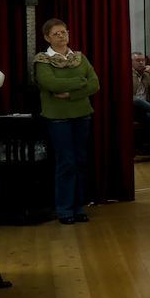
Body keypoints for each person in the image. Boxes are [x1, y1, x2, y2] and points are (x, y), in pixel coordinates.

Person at [35, 19, 100, 225]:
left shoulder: (80, 58)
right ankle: (64, 209)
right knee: (66, 163)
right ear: (47, 38)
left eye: (64, 32)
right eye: (56, 33)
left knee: (80, 161)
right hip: (58, 117)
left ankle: (78, 207)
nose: (62, 36)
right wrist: (80, 83)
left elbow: (94, 84)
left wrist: (70, 92)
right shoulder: (43, 61)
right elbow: (50, 83)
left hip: (82, 113)